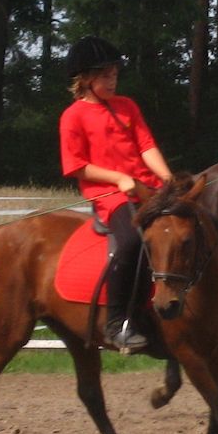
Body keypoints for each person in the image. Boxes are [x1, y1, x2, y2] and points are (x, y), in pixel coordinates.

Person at [59, 35, 172, 353]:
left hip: (147, 187)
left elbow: (146, 145)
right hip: (109, 193)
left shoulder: (127, 106)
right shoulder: (73, 116)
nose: (112, 81)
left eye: (114, 75)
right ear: (86, 79)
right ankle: (116, 323)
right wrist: (120, 178)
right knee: (132, 241)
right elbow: (77, 166)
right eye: (105, 75)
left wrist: (167, 178)